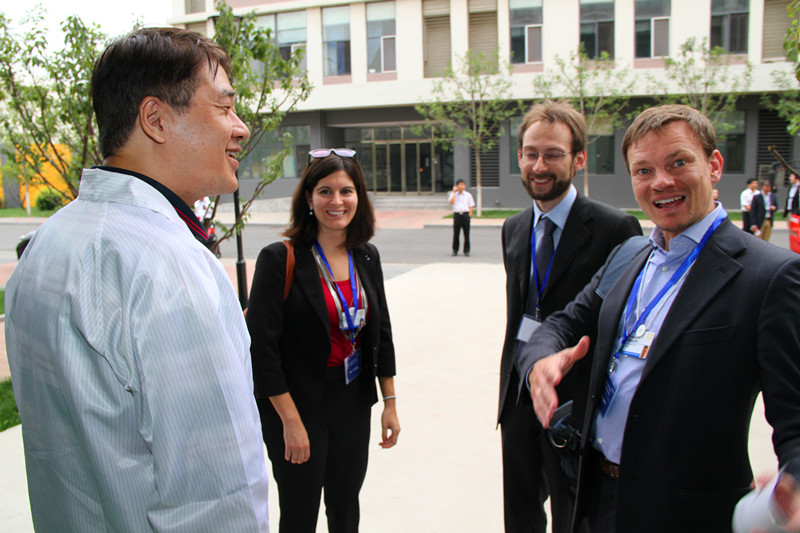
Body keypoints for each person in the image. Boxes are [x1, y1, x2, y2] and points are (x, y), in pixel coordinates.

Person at [4, 28, 269, 531]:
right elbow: (219, 493)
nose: (240, 128)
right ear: (156, 119)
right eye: (224, 107)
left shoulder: (48, 243)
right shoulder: (169, 265)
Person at [518, 104, 800, 533]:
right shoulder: (629, 254)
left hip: (683, 515)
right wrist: (540, 362)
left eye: (678, 162)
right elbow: (560, 324)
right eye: (644, 170)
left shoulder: (768, 276)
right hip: (597, 500)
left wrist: (795, 483)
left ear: (714, 165)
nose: (661, 182)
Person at [498, 101, 641, 533]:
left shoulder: (616, 229)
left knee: (573, 517)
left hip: (577, 402)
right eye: (530, 154)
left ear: (579, 159)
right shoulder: (513, 228)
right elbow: (522, 313)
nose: (539, 166)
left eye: (553, 154)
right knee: (519, 513)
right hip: (519, 394)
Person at [247, 148, 400, 533]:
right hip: (297, 405)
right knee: (300, 513)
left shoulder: (366, 256)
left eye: (346, 191)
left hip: (352, 400)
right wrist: (291, 422)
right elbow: (262, 351)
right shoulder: (279, 259)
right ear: (308, 198)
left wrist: (390, 403)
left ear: (359, 197)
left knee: (346, 508)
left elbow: (381, 332)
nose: (337, 201)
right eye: (325, 191)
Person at [449, 178, 476, 256]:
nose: (463, 186)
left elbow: (471, 206)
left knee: (466, 234)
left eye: (464, 185)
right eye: (461, 185)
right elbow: (451, 202)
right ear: (457, 186)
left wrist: (469, 215)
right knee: (456, 234)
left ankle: (466, 250)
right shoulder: (453, 194)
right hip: (457, 215)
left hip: (465, 215)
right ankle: (455, 250)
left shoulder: (468, 195)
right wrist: (454, 192)